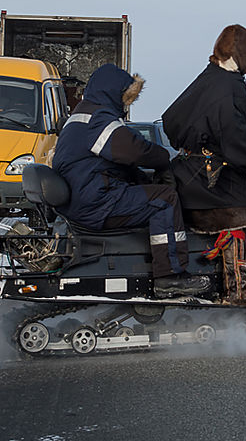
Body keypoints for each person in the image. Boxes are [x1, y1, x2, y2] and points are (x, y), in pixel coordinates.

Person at [52, 63, 211, 298]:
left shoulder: (79, 116)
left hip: (81, 198)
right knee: (165, 200)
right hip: (96, 202)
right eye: (125, 97)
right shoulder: (100, 119)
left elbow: (114, 163)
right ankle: (170, 276)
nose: (126, 105)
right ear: (112, 92)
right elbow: (134, 150)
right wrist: (163, 157)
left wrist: (141, 178)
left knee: (147, 190)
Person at [162, 24, 246, 306]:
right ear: (240, 54)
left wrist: (193, 145)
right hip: (211, 178)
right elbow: (235, 137)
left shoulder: (208, 77)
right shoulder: (229, 86)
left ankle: (214, 283)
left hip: (189, 171)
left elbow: (170, 119)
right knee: (235, 222)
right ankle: (237, 290)